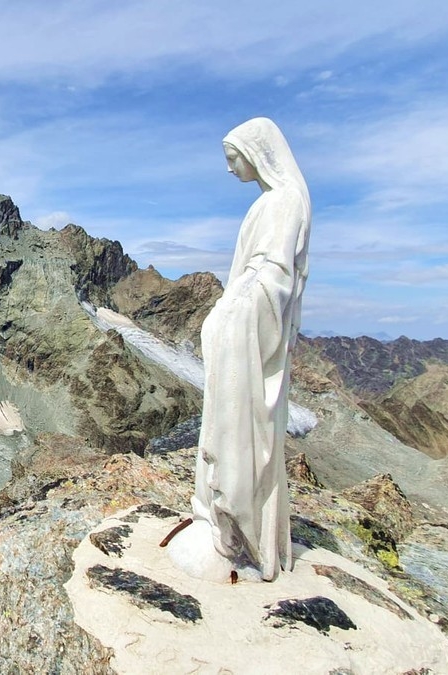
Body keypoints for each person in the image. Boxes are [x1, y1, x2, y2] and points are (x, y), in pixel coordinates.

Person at [166, 117, 311, 582]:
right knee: (225, 422)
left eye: (233, 159)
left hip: (250, 331)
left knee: (241, 424)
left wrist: (230, 315)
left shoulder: (286, 202)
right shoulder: (268, 203)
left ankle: (238, 531)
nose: (229, 169)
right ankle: (219, 515)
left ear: (257, 155)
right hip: (239, 324)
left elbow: (275, 277)